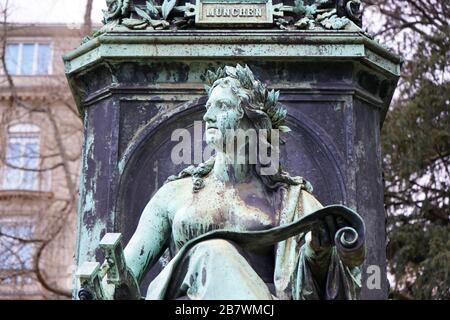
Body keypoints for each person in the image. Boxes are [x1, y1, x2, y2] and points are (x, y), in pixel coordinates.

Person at [101, 65, 365, 300]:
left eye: (223, 107)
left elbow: (336, 279)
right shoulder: (173, 195)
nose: (208, 117)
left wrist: (316, 253)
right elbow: (125, 274)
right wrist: (106, 284)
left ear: (255, 124)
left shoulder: (291, 200)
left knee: (214, 251)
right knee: (212, 251)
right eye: (208, 108)